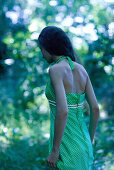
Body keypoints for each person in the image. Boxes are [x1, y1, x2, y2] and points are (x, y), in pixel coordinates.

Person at [38, 26, 100, 170]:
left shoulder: (55, 70)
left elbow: (63, 111)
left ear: (49, 47)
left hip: (66, 147)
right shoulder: (81, 69)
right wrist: (89, 141)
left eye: (41, 48)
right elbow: (95, 109)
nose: (41, 53)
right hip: (84, 144)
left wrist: (54, 151)